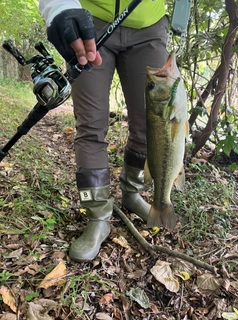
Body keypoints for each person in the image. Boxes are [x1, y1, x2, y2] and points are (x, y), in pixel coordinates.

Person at [38, 0, 169, 262]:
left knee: (150, 123)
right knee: (90, 126)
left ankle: (132, 194)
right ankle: (97, 216)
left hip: (149, 26)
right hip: (89, 23)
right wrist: (59, 8)